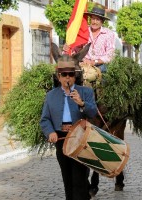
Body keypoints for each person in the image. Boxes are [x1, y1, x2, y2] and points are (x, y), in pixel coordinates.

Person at [40, 55, 98, 200]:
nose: (68, 78)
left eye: (71, 74)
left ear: (75, 76)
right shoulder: (50, 96)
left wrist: (81, 103)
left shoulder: (85, 92)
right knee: (67, 179)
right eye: (64, 75)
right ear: (58, 77)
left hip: (80, 138)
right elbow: (45, 119)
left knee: (79, 178)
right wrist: (50, 132)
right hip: (61, 139)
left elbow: (93, 113)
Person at [64, 7, 115, 73]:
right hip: (83, 63)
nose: (94, 22)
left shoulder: (109, 34)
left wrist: (94, 62)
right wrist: (68, 48)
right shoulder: (83, 31)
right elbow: (76, 49)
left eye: (97, 19)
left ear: (102, 21)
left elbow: (110, 55)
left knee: (101, 74)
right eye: (93, 19)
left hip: (100, 66)